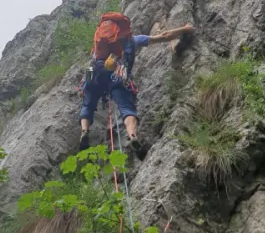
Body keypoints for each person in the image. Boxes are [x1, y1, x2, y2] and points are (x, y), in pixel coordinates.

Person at [79, 13, 195, 159]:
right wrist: (185, 28)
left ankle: (84, 131)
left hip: (93, 72)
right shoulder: (133, 40)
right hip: (118, 75)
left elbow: (91, 66)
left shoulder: (99, 45)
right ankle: (133, 136)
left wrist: (86, 86)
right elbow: (165, 36)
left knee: (87, 104)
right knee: (127, 108)